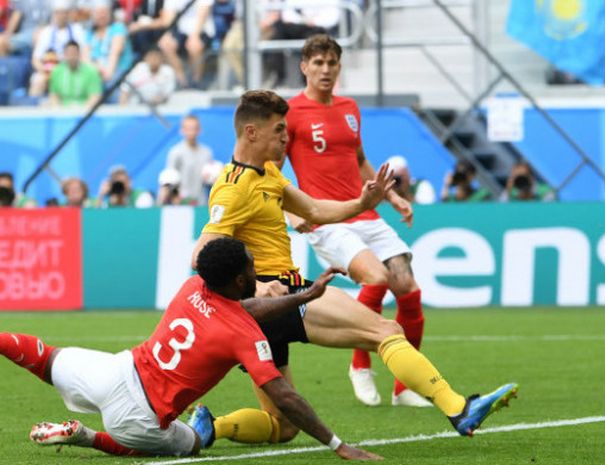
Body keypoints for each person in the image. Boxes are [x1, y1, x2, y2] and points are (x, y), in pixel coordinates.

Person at [188, 89, 518, 448]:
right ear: (251, 132)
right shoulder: (232, 188)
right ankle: (458, 407)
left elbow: (313, 210)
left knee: (282, 427)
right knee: (385, 329)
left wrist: (361, 202)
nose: (286, 137)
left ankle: (211, 426)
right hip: (278, 294)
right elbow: (201, 256)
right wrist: (259, 288)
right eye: (279, 129)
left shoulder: (266, 173)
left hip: (265, 309)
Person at [3, 237, 380, 460]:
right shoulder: (245, 336)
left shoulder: (191, 286)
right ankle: (84, 435)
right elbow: (284, 396)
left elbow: (238, 308)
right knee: (193, 444)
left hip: (115, 371)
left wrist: (308, 295)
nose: (256, 272)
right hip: (139, 417)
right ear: (239, 278)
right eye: (252, 268)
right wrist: (338, 444)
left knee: (44, 357)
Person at [281, 34, 433, 409]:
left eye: (332, 63)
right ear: (304, 67)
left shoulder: (350, 107)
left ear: (339, 67)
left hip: (363, 210)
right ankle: (360, 364)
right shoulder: (291, 113)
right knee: (376, 277)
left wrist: (392, 195)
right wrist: (291, 211)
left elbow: (359, 159)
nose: (325, 70)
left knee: (408, 289)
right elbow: (271, 169)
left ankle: (404, 386)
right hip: (326, 218)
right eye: (318, 63)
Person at [29, 0, 87, 97]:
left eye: (64, 13)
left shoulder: (78, 30)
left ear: (68, 14)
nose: (62, 16)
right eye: (58, 13)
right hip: (49, 71)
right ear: (54, 14)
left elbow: (84, 53)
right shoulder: (46, 32)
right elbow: (35, 59)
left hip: (73, 69)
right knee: (38, 81)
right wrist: (46, 72)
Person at [84, 0, 134, 89]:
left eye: (104, 12)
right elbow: (85, 58)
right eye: (98, 13)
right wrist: (96, 69)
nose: (101, 16)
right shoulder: (90, 33)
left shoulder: (118, 28)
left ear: (109, 14)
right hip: (95, 75)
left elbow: (114, 54)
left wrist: (106, 73)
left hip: (117, 74)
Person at [165, 114, 214, 205]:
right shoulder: (175, 152)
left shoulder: (207, 153)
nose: (191, 132)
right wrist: (175, 198)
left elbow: (210, 180)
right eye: (188, 128)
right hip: (182, 203)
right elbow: (170, 179)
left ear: (199, 130)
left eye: (194, 128)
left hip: (201, 202)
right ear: (182, 130)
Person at [48, 40, 103, 106]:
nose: (71, 57)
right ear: (64, 55)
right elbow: (54, 96)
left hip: (85, 111)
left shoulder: (91, 72)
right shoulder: (57, 71)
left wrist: (83, 111)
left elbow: (95, 96)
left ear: (79, 54)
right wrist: (59, 110)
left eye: (74, 53)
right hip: (62, 112)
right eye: (69, 54)